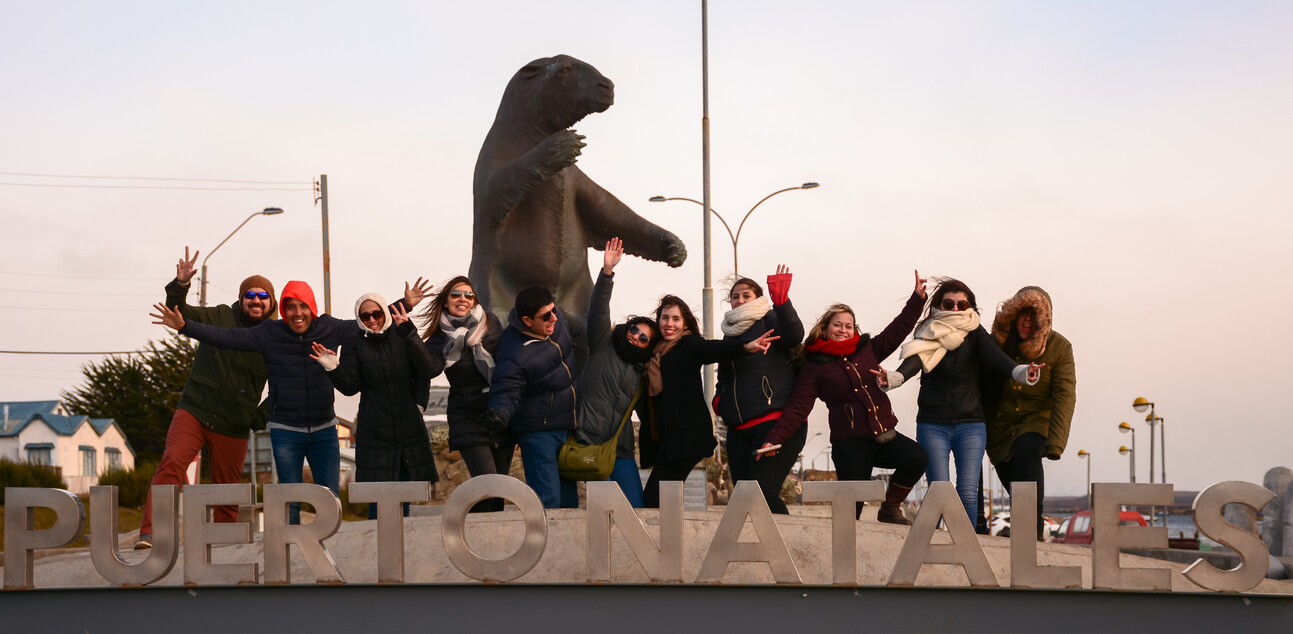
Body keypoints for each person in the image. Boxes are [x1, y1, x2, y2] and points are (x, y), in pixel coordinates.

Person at [152, 278, 429, 524]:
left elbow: (368, 319)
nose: (298, 313)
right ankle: (291, 563)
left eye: (303, 306)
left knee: (330, 499)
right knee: (289, 502)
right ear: (283, 310)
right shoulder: (270, 333)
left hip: (324, 430)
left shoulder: (329, 328)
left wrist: (406, 303)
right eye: (291, 307)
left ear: (312, 307)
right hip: (286, 432)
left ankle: (331, 558)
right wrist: (186, 327)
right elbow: (226, 337)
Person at [760, 271, 929, 524]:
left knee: (917, 458)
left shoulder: (868, 350)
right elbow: (798, 408)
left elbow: (898, 329)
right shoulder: (814, 365)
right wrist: (774, 439)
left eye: (848, 325)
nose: (843, 329)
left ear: (854, 329)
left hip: (883, 436)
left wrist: (917, 299)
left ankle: (890, 508)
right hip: (850, 445)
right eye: (837, 324)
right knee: (852, 515)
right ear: (825, 329)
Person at [135, 248, 275, 549]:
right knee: (172, 462)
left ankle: (224, 546)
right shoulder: (221, 315)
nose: (256, 300)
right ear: (241, 298)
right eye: (251, 294)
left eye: (264, 297)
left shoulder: (274, 336)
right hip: (196, 410)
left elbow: (283, 386)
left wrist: (256, 417)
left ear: (271, 302)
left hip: (234, 423)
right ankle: (151, 533)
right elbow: (180, 313)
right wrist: (180, 284)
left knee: (227, 490)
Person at [878, 278, 1041, 528]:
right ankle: (932, 547)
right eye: (948, 303)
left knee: (967, 492)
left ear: (969, 307)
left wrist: (1021, 372)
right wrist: (894, 378)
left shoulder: (975, 333)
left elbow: (998, 360)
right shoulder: (929, 331)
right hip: (933, 424)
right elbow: (915, 361)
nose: (955, 309)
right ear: (938, 305)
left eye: (961, 304)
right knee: (939, 492)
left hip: (971, 425)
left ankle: (965, 552)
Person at [639, 295, 778, 509]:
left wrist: (745, 347)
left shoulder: (689, 344)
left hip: (687, 437)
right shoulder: (655, 352)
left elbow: (712, 349)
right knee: (660, 501)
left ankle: (663, 540)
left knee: (654, 500)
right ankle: (667, 540)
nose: (669, 324)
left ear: (684, 323)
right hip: (668, 439)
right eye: (665, 318)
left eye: (676, 319)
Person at [310, 295, 439, 519]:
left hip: (407, 424)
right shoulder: (353, 342)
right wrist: (333, 368)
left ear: (385, 314)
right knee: (376, 493)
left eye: (376, 313)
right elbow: (351, 387)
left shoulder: (403, 332)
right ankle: (375, 545)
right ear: (359, 319)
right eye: (365, 315)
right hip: (374, 427)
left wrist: (419, 403)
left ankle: (403, 544)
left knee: (403, 491)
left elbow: (424, 371)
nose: (371, 319)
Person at [572, 238, 659, 507]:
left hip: (620, 449)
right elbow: (598, 311)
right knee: (603, 511)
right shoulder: (603, 344)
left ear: (648, 346)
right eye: (635, 330)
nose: (635, 337)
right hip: (586, 441)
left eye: (644, 338)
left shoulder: (643, 370)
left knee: (636, 509)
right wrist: (607, 272)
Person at [984, 286, 1076, 539]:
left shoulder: (1060, 347)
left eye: (1034, 314)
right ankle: (1019, 538)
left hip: (1036, 423)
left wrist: (1055, 444)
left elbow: (1064, 396)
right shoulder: (996, 344)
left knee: (1027, 449)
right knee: (1016, 487)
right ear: (1012, 314)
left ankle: (1032, 534)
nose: (1027, 320)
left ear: (1044, 320)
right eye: (1022, 312)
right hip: (1000, 430)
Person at [716, 266, 805, 514]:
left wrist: (782, 301)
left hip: (774, 422)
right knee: (744, 499)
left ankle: (787, 548)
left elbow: (794, 335)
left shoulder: (770, 318)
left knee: (763, 493)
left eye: (746, 295)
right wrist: (718, 401)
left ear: (758, 298)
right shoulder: (729, 334)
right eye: (736, 296)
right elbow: (723, 377)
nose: (740, 300)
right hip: (739, 430)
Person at [420, 275, 510, 512]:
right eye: (456, 294)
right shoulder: (439, 336)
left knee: (499, 492)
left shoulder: (490, 324)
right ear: (446, 301)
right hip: (467, 414)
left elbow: (509, 363)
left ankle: (493, 546)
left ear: (474, 301)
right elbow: (430, 369)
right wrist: (410, 335)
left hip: (498, 413)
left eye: (468, 294)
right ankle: (461, 534)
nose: (463, 298)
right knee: (487, 484)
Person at [485, 285, 579, 509]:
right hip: (538, 434)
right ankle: (546, 545)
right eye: (546, 316)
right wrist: (499, 413)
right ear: (527, 320)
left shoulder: (555, 322)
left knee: (569, 502)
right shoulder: (514, 352)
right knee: (548, 502)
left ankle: (568, 545)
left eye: (554, 310)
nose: (554, 318)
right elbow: (506, 387)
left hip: (566, 424)